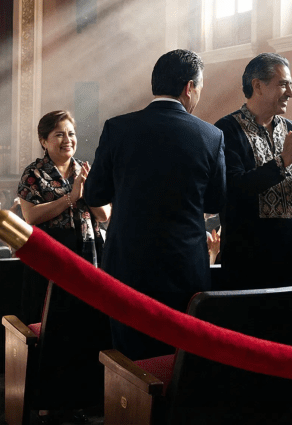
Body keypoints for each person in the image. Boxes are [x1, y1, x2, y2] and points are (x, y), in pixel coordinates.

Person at [84, 49, 225, 360]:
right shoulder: (211, 136)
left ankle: (128, 408)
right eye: (199, 88)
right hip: (184, 266)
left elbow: (93, 196)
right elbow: (215, 201)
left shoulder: (117, 128)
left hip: (128, 264)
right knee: (179, 354)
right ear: (190, 87)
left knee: (128, 358)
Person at [215, 53, 292, 291]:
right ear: (258, 85)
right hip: (248, 264)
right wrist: (282, 162)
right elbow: (234, 188)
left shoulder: (291, 129)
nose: (290, 93)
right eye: (283, 84)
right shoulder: (227, 129)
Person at [17, 110, 110, 322]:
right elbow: (30, 216)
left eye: (71, 134)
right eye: (59, 135)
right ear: (43, 141)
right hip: (51, 254)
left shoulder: (86, 169)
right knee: (52, 319)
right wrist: (71, 197)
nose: (67, 140)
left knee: (87, 320)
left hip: (88, 252)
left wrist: (88, 191)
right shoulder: (34, 173)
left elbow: (104, 215)